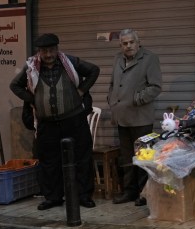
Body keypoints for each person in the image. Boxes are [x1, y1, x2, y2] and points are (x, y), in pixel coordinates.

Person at [10, 33, 100, 210]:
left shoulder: (71, 62)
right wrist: (31, 99)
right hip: (47, 125)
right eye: (44, 51)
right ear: (39, 52)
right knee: (49, 162)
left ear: (57, 49)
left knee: (82, 158)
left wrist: (81, 90)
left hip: (74, 121)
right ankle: (53, 197)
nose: (48, 55)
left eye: (51, 50)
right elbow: (14, 85)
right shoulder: (31, 68)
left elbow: (94, 70)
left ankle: (83, 196)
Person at [108, 29, 162, 205]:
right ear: (120, 45)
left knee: (143, 157)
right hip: (122, 117)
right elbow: (113, 84)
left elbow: (155, 86)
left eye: (131, 42)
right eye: (124, 43)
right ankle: (129, 191)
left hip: (140, 117)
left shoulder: (150, 58)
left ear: (138, 42)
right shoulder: (118, 58)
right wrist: (112, 101)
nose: (128, 46)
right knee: (127, 157)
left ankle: (143, 193)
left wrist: (136, 99)